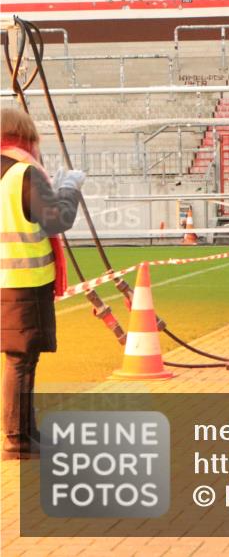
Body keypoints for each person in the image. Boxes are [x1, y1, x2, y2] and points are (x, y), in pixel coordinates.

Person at [1, 106, 83, 460]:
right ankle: (18, 440)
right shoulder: (23, 173)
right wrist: (69, 188)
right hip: (24, 280)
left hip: (7, 278)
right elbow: (57, 219)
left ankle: (25, 433)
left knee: (21, 358)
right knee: (22, 359)